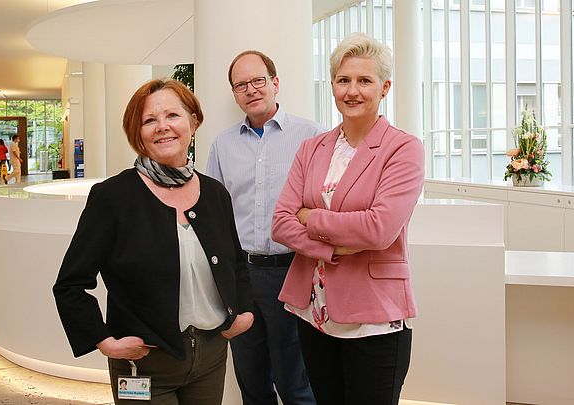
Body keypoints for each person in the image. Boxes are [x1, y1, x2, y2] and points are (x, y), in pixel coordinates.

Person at [53, 79, 254, 405]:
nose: (162, 126)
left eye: (172, 115)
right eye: (149, 120)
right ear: (138, 133)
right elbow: (70, 284)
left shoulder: (215, 193)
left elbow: (235, 261)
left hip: (211, 357)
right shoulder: (113, 197)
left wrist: (245, 310)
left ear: (193, 122)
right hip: (143, 366)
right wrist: (104, 340)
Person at [271, 33, 425, 405]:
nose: (352, 90)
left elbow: (379, 229)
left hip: (374, 316)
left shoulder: (403, 148)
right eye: (343, 80)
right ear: (332, 86)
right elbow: (281, 223)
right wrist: (336, 247)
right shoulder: (312, 148)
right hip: (314, 312)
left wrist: (312, 217)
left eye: (364, 80)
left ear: (384, 87)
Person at [207, 50, 322, 405]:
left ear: (275, 83)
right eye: (241, 85)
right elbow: (214, 213)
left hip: (293, 269)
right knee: (251, 378)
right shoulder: (222, 145)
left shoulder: (311, 136)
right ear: (234, 93)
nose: (251, 90)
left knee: (296, 382)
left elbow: (323, 203)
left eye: (258, 80)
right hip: (242, 274)